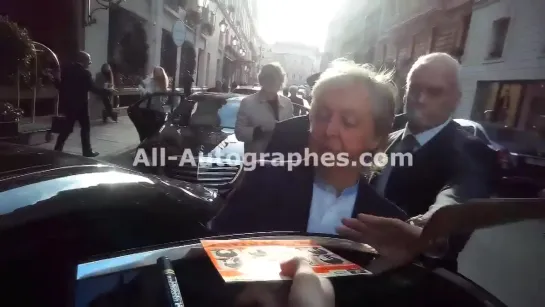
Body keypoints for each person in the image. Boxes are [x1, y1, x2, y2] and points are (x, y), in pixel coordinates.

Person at [212, 60, 407, 235]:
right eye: (322, 115)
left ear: (377, 137)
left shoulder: (388, 224)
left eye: (349, 121)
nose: (330, 130)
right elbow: (213, 254)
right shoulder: (262, 181)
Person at [370, 52, 493, 271]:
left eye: (434, 92)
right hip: (364, 267)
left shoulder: (470, 149)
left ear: (456, 100)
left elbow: (459, 193)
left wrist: (428, 225)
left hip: (422, 280)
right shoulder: (386, 140)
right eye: (415, 89)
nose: (421, 99)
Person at [54, 51, 112, 157]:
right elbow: (92, 88)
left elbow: (61, 86)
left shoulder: (66, 70)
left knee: (67, 128)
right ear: (83, 60)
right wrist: (107, 92)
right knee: (85, 127)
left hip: (69, 105)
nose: (90, 63)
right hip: (81, 106)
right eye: (89, 61)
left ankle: (57, 148)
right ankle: (87, 151)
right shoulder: (85, 73)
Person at [234, 63, 294, 154]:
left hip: (281, 159)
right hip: (256, 160)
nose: (272, 82)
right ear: (261, 80)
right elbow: (239, 132)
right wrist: (260, 131)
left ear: (281, 81)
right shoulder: (248, 102)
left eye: (275, 79)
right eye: (268, 78)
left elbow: (291, 131)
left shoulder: (287, 103)